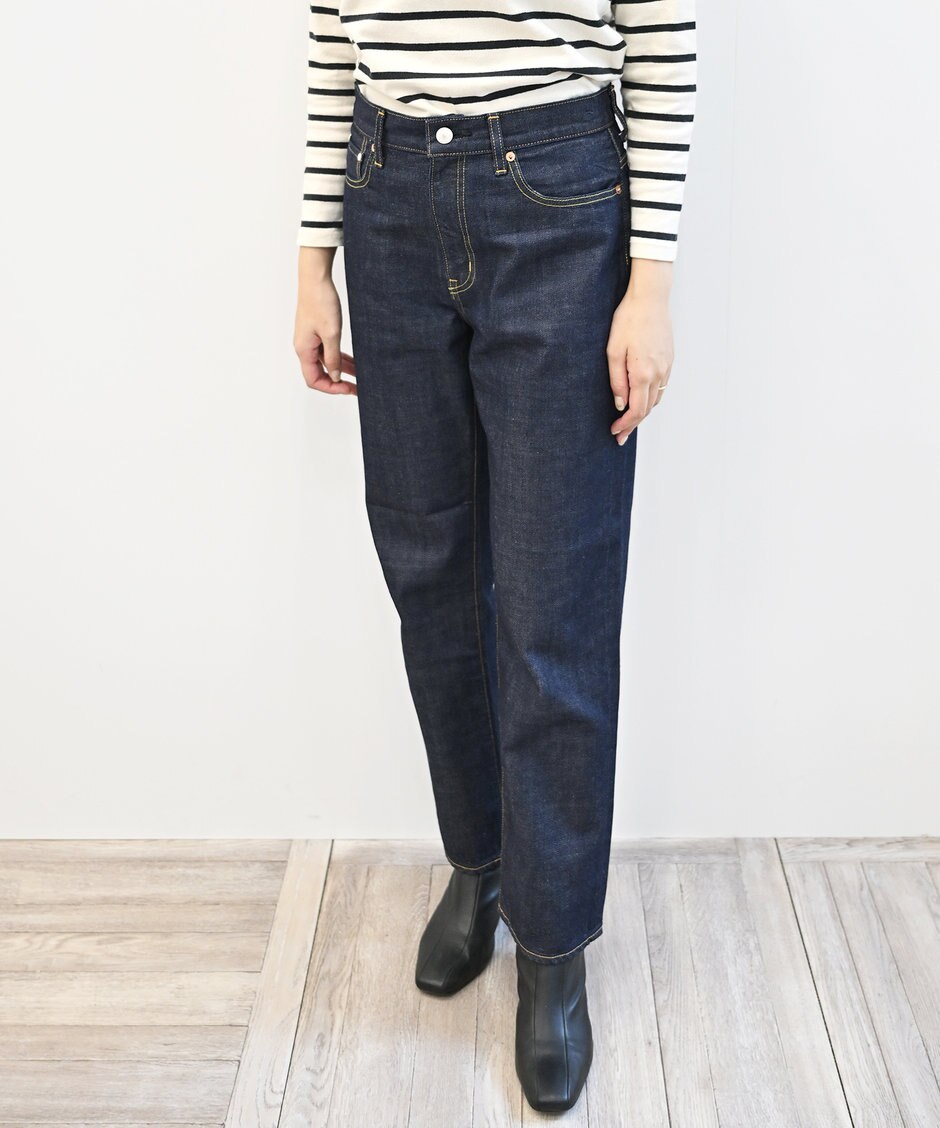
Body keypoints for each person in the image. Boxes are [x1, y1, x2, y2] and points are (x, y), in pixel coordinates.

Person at [293, 1, 696, 1113]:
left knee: (551, 593)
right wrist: (313, 259)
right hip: (384, 195)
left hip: (557, 192)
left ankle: (554, 947)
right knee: (429, 570)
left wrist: (651, 286)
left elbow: (661, 36)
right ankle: (478, 866)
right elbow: (331, 39)